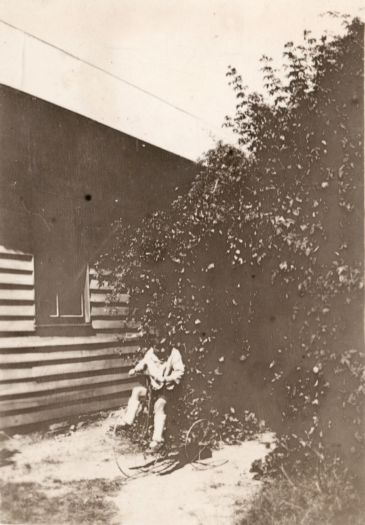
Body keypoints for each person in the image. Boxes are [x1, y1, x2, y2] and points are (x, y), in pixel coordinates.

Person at [120, 339, 185, 450]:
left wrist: (167, 379)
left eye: (164, 346)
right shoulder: (150, 353)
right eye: (158, 347)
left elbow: (180, 372)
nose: (162, 350)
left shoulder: (174, 353)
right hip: (154, 389)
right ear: (153, 347)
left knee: (158, 405)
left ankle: (157, 440)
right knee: (136, 391)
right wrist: (135, 370)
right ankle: (128, 421)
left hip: (168, 389)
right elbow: (143, 362)